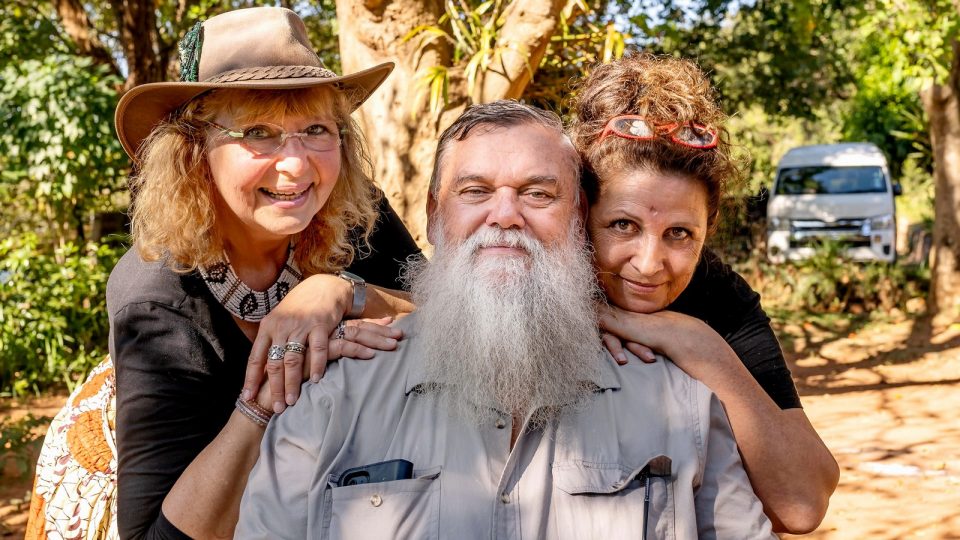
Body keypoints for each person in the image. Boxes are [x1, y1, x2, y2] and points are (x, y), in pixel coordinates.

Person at [236, 100, 777, 539]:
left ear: (577, 218)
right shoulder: (333, 394)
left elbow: (796, 505)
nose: (504, 215)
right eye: (475, 191)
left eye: (538, 194)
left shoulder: (678, 403)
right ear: (432, 215)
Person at [25, 7, 422, 540]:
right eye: (258, 133)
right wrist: (263, 400)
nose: (297, 166)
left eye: (316, 130)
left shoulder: (356, 216)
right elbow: (154, 535)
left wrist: (344, 293)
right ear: (194, 151)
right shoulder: (157, 299)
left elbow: (451, 310)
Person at [571, 53, 839, 532]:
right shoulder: (530, 273)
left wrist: (702, 347)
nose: (649, 264)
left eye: (679, 234)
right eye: (622, 225)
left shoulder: (718, 296)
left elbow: (802, 504)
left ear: (708, 227)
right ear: (580, 214)